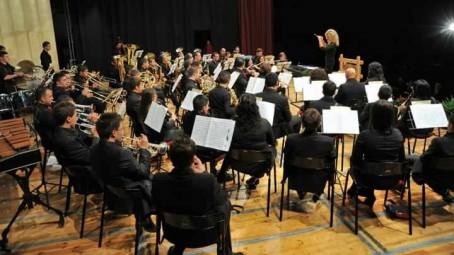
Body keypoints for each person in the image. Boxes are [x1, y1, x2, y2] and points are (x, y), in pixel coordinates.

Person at [152, 135, 243, 255]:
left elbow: (157, 205)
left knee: (179, 211)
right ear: (193, 158)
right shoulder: (207, 180)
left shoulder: (158, 180)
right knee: (226, 204)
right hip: (205, 235)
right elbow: (222, 200)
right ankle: (225, 252)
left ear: (169, 158)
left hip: (173, 233)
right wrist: (204, 173)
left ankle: (178, 249)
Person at [90, 113, 154, 228]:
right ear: (113, 133)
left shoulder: (94, 148)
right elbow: (143, 172)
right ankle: (146, 215)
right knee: (150, 178)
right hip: (127, 189)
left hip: (111, 186)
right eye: (122, 129)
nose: (124, 132)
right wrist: (144, 150)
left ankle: (144, 216)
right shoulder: (122, 154)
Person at [347, 100, 406, 209]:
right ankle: (357, 192)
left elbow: (355, 161)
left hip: (369, 180)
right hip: (392, 180)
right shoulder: (398, 134)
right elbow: (402, 160)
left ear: (373, 115)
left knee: (361, 168)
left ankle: (365, 194)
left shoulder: (365, 135)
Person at [284, 108, 336, 212]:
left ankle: (301, 190)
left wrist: (285, 176)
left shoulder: (291, 139)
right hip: (318, 181)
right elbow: (331, 163)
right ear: (319, 124)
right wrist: (331, 179)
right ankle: (316, 192)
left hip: (296, 179)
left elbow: (287, 160)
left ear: (302, 123)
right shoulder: (328, 141)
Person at [220, 94, 276, 189]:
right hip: (260, 166)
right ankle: (255, 177)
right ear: (256, 108)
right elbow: (272, 142)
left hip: (236, 163)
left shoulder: (232, 123)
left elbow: (227, 142)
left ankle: (221, 174)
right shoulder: (264, 123)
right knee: (273, 149)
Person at [411, 114, 454, 203]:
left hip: (438, 179)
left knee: (413, 159)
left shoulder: (438, 142)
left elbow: (424, 158)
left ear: (450, 125)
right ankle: (444, 192)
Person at [52, 101, 98, 167]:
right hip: (86, 171)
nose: (77, 118)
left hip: (81, 161)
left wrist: (92, 134)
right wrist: (96, 137)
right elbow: (90, 156)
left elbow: (80, 141)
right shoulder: (68, 140)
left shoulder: (61, 130)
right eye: (76, 115)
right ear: (68, 119)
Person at [256, 73, 301, 138]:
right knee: (298, 119)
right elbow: (288, 118)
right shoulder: (282, 99)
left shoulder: (256, 95)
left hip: (259, 128)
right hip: (275, 130)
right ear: (277, 83)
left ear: (265, 83)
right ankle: (292, 140)